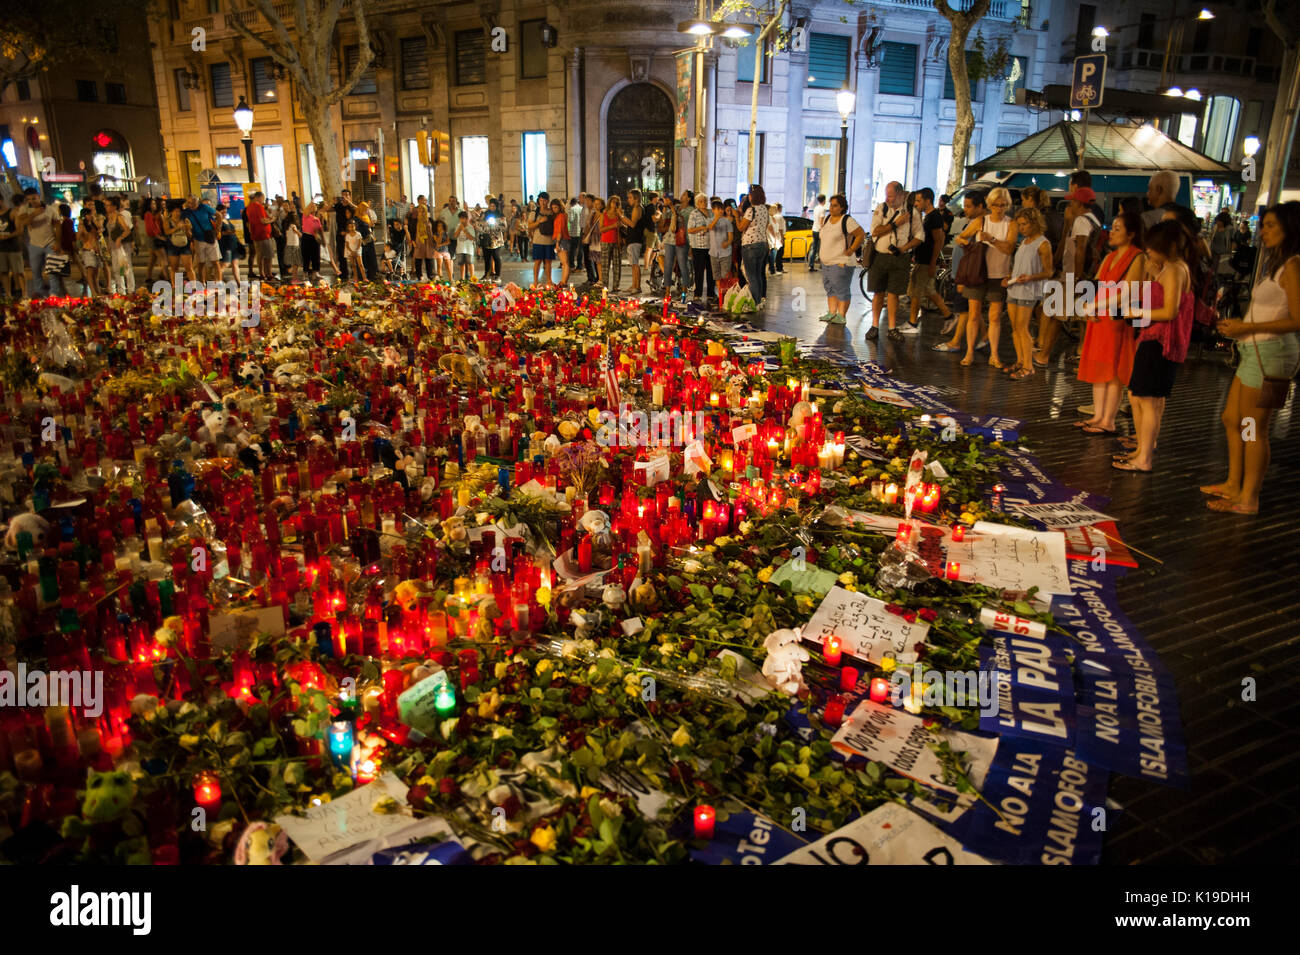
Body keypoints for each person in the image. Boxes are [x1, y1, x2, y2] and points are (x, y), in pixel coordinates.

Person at [1202, 201, 1300, 514]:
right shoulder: (1276, 262)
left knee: (1253, 427)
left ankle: (1248, 497)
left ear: (1290, 228)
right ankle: (1234, 484)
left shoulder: (1294, 265)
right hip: (1254, 350)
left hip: (1272, 354)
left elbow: (1298, 319)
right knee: (1233, 419)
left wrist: (1249, 327)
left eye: (1272, 225)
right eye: (1265, 224)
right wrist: (1242, 331)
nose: (1264, 231)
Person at [1114, 220, 1196, 473]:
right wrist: (1150, 273)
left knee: (1145, 399)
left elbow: (1169, 310)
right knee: (1145, 398)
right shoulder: (1170, 268)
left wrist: (1137, 311)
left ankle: (1144, 458)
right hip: (1157, 338)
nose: (1148, 251)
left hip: (1160, 340)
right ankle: (1143, 449)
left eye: (1152, 247)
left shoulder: (1174, 270)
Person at [1074, 210, 1146, 426]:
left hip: (1118, 320)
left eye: (1117, 229)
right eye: (1112, 227)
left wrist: (1094, 306)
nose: (1111, 233)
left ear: (1131, 234)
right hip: (1100, 319)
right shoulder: (1109, 257)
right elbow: (1096, 285)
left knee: (1114, 371)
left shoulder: (1137, 257)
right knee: (1099, 368)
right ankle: (1098, 415)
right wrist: (1090, 308)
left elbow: (1128, 293)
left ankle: (1108, 420)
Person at [1034, 185, 1099, 366]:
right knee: (1081, 318)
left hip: (1074, 276)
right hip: (1087, 275)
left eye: (1073, 202)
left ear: (1079, 203)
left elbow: (1080, 248)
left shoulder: (1081, 221)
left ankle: (1044, 355)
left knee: (1057, 315)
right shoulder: (1094, 219)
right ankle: (1082, 352)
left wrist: (1076, 277)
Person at [864, 181, 922, 341]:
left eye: (890, 196)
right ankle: (874, 326)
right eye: (886, 195)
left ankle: (891, 327)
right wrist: (895, 224)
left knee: (894, 294)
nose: (888, 199)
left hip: (900, 257)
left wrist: (905, 248)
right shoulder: (881, 209)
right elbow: (875, 231)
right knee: (878, 292)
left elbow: (919, 236)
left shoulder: (912, 212)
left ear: (900, 195)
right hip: (880, 256)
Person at [1003, 206, 1055, 379]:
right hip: (1015, 288)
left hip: (1028, 290)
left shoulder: (1043, 244)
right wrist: (1010, 276)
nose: (1021, 228)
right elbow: (1018, 265)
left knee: (1022, 328)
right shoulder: (1024, 242)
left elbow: (1048, 272)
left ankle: (1027, 365)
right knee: (1015, 328)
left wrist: (1031, 277)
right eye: (1020, 225)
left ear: (1034, 223)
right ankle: (1020, 361)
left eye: (1024, 224)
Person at [904, 188, 954, 331]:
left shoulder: (934, 217)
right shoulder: (927, 216)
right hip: (922, 259)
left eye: (919, 201)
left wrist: (933, 263)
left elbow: (939, 240)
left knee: (916, 291)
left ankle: (913, 323)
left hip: (926, 261)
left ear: (927, 200)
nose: (916, 204)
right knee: (928, 290)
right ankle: (948, 315)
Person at [817, 194, 865, 326]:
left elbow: (860, 234)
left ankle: (842, 314)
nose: (831, 208)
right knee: (830, 288)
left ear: (842, 207)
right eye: (831, 205)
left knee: (841, 288)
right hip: (827, 262)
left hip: (841, 261)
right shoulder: (828, 218)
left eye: (835, 205)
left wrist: (851, 249)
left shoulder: (847, 220)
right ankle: (832, 312)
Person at [737, 184, 771, 306]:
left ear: (752, 196)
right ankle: (760, 300)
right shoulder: (765, 210)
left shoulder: (752, 210)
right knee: (758, 274)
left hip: (750, 245)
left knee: (751, 276)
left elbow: (741, 227)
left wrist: (737, 217)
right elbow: (766, 225)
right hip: (762, 243)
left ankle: (754, 302)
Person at [686, 192, 715, 304]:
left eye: (705, 201)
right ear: (697, 203)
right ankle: (697, 293)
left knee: (711, 270)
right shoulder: (694, 213)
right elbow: (690, 229)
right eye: (701, 201)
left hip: (711, 245)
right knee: (699, 270)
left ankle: (710, 293)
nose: (704, 203)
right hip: (698, 246)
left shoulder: (711, 212)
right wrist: (702, 227)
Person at [245, 192, 275, 281]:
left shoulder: (248, 208)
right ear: (258, 197)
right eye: (263, 198)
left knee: (260, 255)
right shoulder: (259, 207)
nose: (263, 200)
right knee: (268, 255)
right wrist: (272, 220)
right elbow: (263, 221)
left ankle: (262, 273)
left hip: (255, 235)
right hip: (264, 234)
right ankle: (268, 273)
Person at [528, 195, 556, 286]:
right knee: (538, 261)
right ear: (538, 201)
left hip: (550, 241)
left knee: (548, 262)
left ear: (548, 201)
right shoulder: (534, 213)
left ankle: (549, 280)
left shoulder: (552, 212)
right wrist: (539, 221)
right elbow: (529, 226)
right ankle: (535, 281)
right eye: (541, 200)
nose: (543, 203)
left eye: (545, 200)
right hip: (538, 241)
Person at [162, 203, 193, 284]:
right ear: (171, 212)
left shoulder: (185, 220)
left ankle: (194, 287)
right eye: (175, 211)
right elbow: (167, 232)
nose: (177, 213)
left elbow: (189, 235)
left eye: (179, 211)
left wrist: (187, 228)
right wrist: (177, 227)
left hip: (184, 245)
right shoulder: (167, 221)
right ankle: (176, 287)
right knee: (174, 268)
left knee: (189, 267)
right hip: (172, 246)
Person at [622, 189, 645, 293]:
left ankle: (637, 286)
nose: (628, 200)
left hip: (635, 239)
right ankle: (634, 284)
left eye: (630, 197)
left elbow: (632, 224)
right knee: (632, 263)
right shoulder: (636, 208)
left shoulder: (637, 208)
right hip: (633, 238)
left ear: (636, 198)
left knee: (635, 264)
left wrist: (621, 216)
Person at [0, 195, 23, 299]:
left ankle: (21, 292)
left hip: (13, 248)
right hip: (1, 249)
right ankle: (8, 294)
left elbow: (19, 231)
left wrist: (7, 236)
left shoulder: (13, 213)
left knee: (18, 271)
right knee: (3, 271)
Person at [599, 196, 624, 290]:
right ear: (609, 203)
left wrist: (621, 222)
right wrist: (612, 226)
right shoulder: (603, 215)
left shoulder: (619, 214)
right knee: (605, 265)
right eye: (613, 202)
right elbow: (601, 229)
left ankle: (616, 286)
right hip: (605, 241)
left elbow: (624, 226)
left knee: (617, 265)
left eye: (617, 202)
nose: (615, 204)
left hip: (617, 241)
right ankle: (605, 286)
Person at [707, 198, 733, 287]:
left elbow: (730, 237)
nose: (721, 211)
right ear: (713, 210)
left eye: (722, 209)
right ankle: (720, 296)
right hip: (713, 253)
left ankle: (725, 296)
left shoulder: (727, 222)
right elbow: (710, 227)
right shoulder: (710, 220)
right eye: (718, 209)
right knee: (716, 276)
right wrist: (716, 218)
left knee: (725, 276)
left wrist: (727, 242)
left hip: (726, 253)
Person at [410, 198, 435, 281]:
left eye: (423, 211)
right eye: (420, 211)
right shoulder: (414, 221)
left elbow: (434, 231)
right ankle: (419, 275)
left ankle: (430, 276)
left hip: (428, 242)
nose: (421, 213)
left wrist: (434, 242)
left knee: (429, 259)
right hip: (418, 242)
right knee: (418, 259)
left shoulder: (430, 220)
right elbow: (412, 232)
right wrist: (413, 242)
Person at [142, 198, 166, 283]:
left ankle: (148, 277)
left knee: (153, 259)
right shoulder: (148, 214)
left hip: (153, 238)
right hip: (154, 238)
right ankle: (166, 276)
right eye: (152, 204)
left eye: (155, 203)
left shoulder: (152, 214)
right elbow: (150, 229)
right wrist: (159, 237)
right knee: (163, 258)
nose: (154, 205)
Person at [216, 203, 241, 283]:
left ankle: (238, 282)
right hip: (225, 245)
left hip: (233, 245)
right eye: (222, 212)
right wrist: (227, 233)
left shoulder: (227, 220)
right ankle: (217, 280)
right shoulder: (218, 221)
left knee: (235, 264)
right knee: (225, 264)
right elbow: (217, 233)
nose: (224, 213)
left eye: (225, 212)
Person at [300, 203, 323, 282]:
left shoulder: (317, 219)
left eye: (315, 206)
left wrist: (323, 240)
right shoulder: (306, 216)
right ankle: (305, 272)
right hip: (306, 237)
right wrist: (313, 201)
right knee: (306, 255)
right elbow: (306, 210)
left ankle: (315, 272)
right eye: (312, 206)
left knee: (316, 255)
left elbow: (320, 229)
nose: (314, 207)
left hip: (315, 238)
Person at [806, 193, 827, 271]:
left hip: (814, 229)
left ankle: (811, 265)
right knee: (821, 248)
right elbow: (821, 221)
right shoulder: (823, 209)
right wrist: (823, 229)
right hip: (819, 230)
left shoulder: (816, 208)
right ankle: (822, 264)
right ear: (824, 200)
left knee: (814, 248)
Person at [343, 220, 366, 285]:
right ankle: (355, 278)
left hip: (357, 250)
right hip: (351, 251)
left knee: (360, 265)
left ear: (355, 226)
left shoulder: (358, 234)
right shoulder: (347, 235)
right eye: (350, 227)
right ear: (348, 227)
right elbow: (347, 245)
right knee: (353, 265)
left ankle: (364, 277)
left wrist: (356, 250)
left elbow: (359, 243)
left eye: (353, 226)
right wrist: (351, 251)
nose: (351, 228)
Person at [768, 203, 786, 274]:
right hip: (773, 238)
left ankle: (773, 269)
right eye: (774, 209)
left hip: (776, 237)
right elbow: (772, 228)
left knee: (775, 253)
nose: (776, 210)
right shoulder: (774, 217)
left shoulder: (774, 217)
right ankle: (773, 270)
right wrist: (779, 238)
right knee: (774, 254)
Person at [283, 216, 302, 283]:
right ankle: (294, 278)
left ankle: (292, 274)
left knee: (294, 264)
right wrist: (300, 233)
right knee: (295, 264)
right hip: (294, 246)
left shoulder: (287, 227)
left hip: (289, 246)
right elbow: (299, 234)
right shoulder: (293, 226)